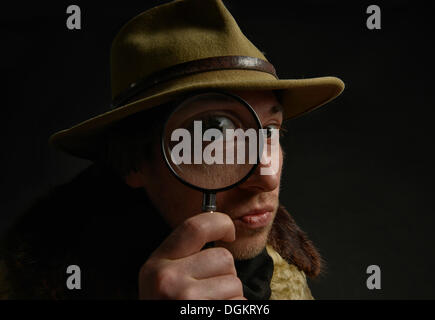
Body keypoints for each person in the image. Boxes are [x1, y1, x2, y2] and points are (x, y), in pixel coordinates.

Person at [0, 0, 344, 299]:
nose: (267, 177)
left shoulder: (282, 273)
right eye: (214, 132)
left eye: (270, 130)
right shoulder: (27, 285)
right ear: (133, 161)